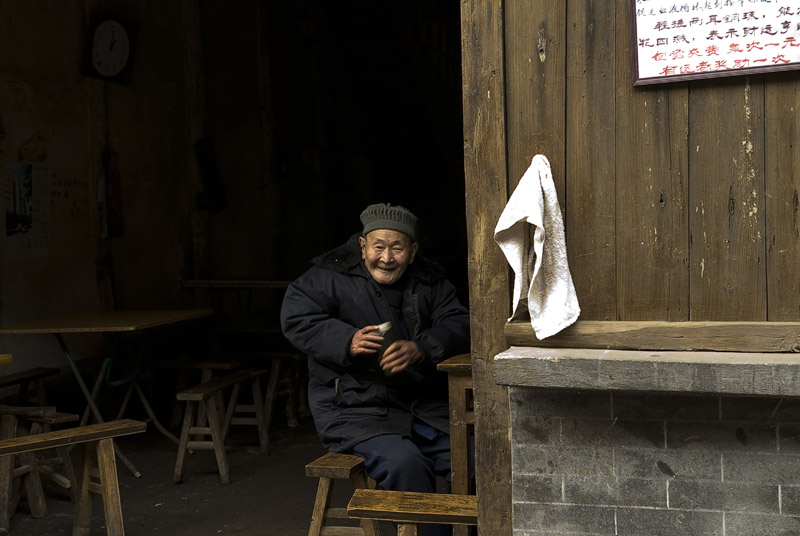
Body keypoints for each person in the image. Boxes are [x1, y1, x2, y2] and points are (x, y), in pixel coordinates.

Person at [281, 203, 470, 536]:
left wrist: (422, 347)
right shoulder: (328, 277)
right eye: (378, 247)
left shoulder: (430, 281)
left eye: (397, 248)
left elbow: (460, 322)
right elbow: (297, 318)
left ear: (412, 252)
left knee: (473, 459)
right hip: (356, 408)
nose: (386, 257)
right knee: (406, 465)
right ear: (362, 245)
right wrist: (346, 339)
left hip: (421, 406)